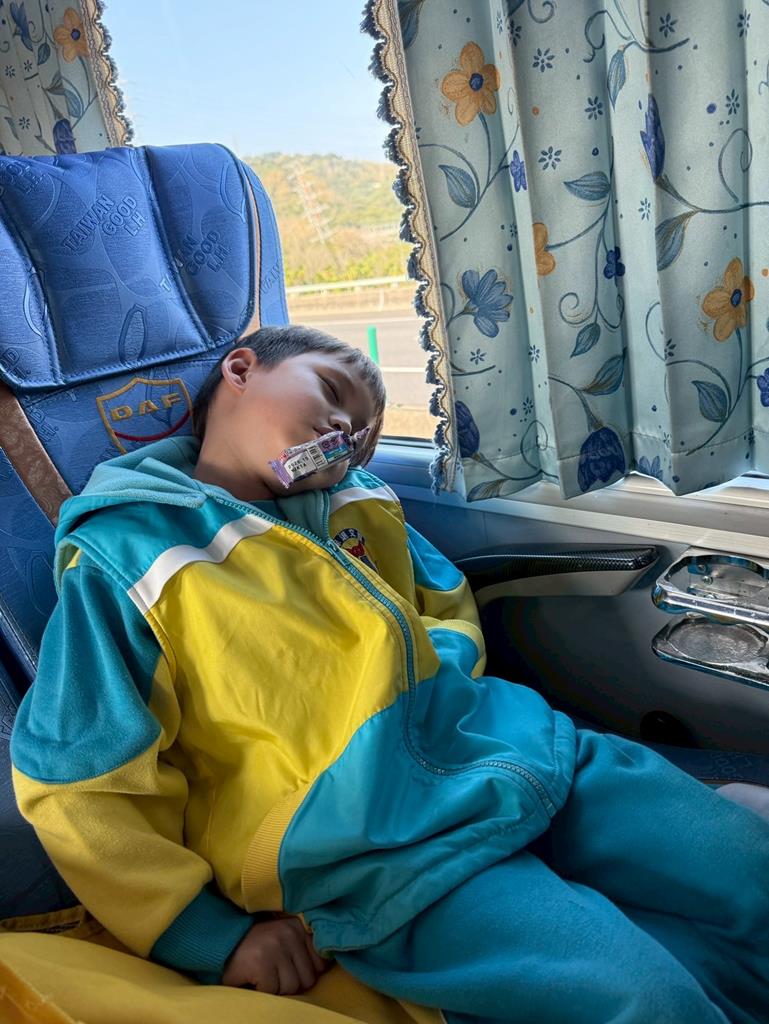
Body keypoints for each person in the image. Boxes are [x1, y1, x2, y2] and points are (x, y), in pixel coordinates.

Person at [10, 324, 769, 1024]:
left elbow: (445, 605)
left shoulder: (362, 506)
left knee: (747, 867)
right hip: (379, 849)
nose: (344, 432)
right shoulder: (132, 558)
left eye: (361, 434)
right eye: (331, 395)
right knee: (645, 998)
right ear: (240, 368)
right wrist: (201, 933)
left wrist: (433, 684)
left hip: (522, 752)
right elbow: (79, 779)